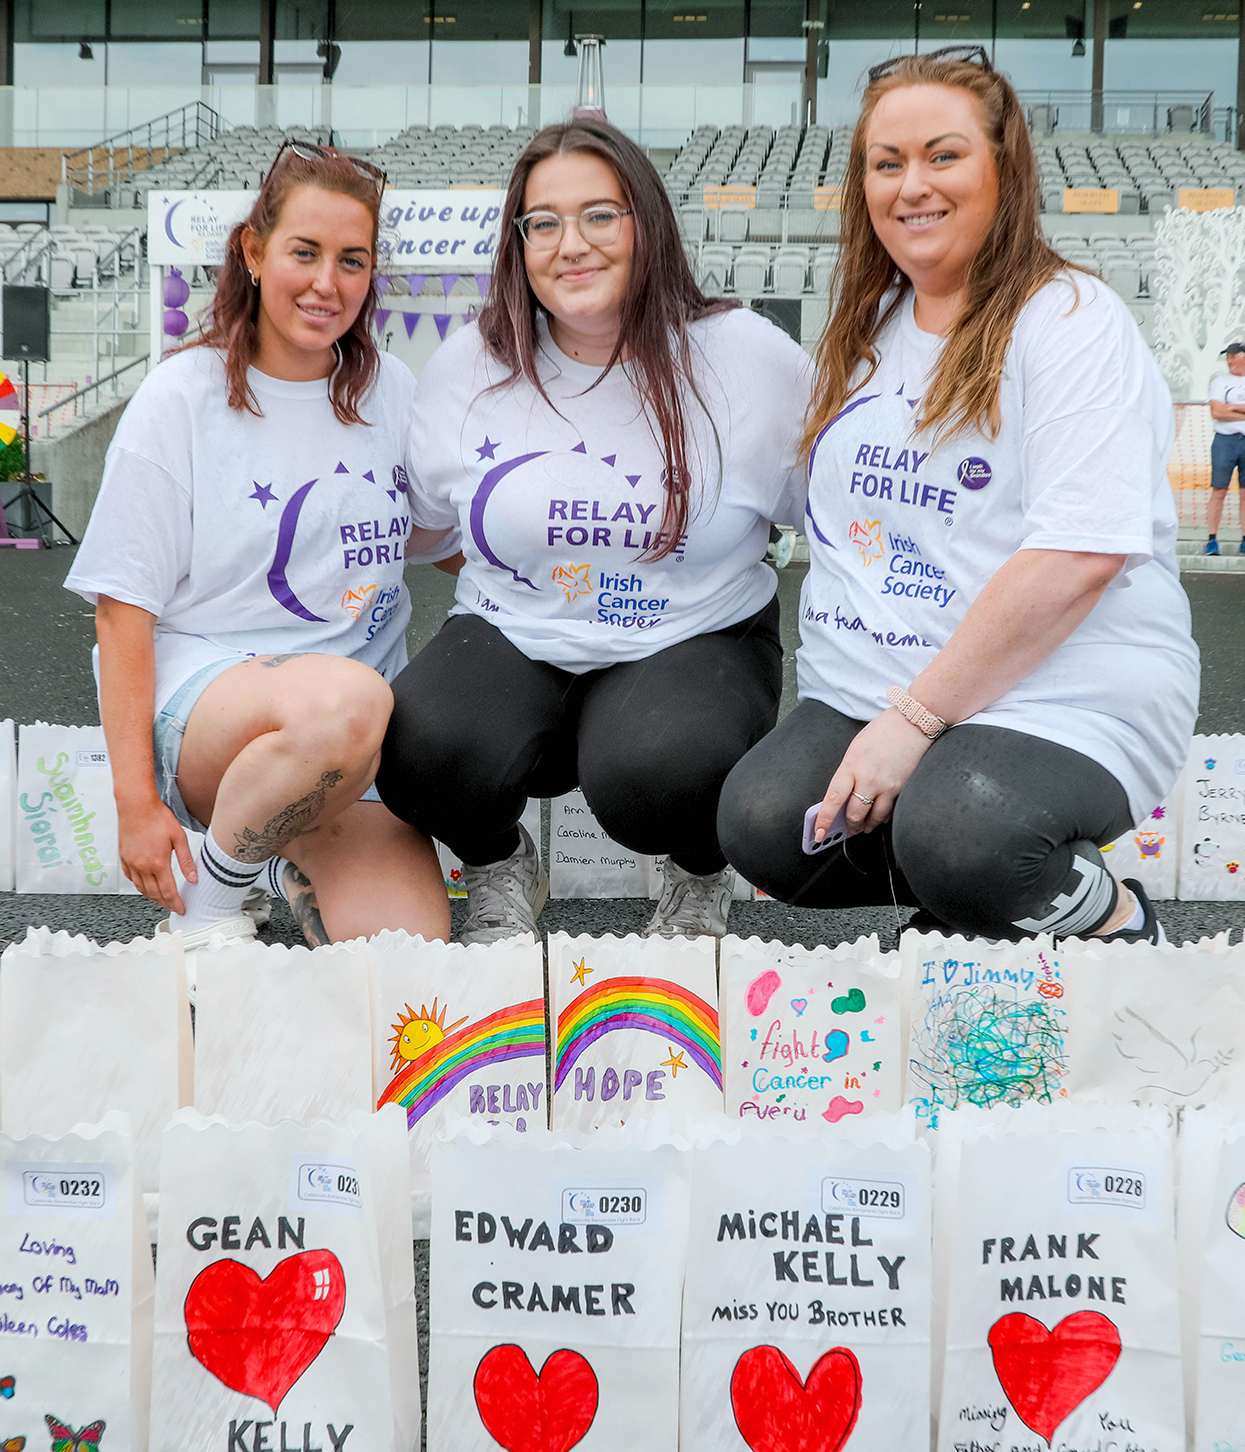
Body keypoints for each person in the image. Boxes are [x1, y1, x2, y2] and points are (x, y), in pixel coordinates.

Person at [718, 47, 1199, 943]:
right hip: (880, 685)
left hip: (1061, 690)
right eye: (886, 162)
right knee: (765, 825)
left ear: (1001, 166)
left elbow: (1079, 555)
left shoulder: (1069, 320)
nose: (912, 186)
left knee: (962, 832)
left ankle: (1114, 921)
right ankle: (970, 908)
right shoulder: (867, 327)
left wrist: (913, 721)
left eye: (943, 156)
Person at [378, 119, 812, 943]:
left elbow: (833, 514)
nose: (569, 244)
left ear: (644, 221)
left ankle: (697, 873)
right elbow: (429, 529)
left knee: (659, 771)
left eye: (598, 216)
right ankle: (499, 864)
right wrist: (546, 581)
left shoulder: (748, 358)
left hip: (693, 633)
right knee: (417, 744)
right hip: (515, 627)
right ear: (520, 242)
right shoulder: (470, 365)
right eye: (543, 222)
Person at [65, 141, 455, 949]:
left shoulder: (391, 392)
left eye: (352, 260)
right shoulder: (182, 397)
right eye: (304, 253)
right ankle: (216, 894)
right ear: (253, 250)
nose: (327, 283)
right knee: (347, 702)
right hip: (219, 705)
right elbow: (120, 611)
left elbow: (440, 543)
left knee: (408, 954)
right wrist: (136, 803)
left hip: (348, 745)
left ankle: (270, 850)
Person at [1205, 341, 1245, 555]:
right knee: (1219, 490)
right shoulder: (1220, 381)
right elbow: (1217, 412)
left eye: (1233, 356)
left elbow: (1224, 408)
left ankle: (1244, 540)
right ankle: (1212, 539)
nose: (1229, 360)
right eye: (1227, 356)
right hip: (1225, 440)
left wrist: (1232, 406)